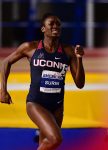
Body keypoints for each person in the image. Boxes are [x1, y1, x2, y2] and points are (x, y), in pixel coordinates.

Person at [0, 13, 85, 150]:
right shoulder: (31, 47)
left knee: (46, 143)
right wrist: (3, 90)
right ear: (43, 29)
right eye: (51, 24)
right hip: (36, 103)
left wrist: (79, 58)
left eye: (58, 24)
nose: (56, 26)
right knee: (55, 139)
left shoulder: (69, 51)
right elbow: (6, 62)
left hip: (57, 106)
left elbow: (80, 84)